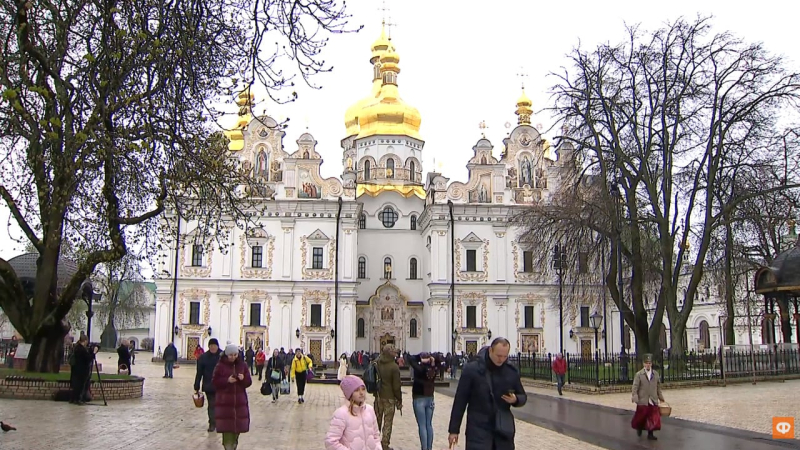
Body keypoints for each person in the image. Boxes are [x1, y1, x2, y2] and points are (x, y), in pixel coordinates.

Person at [448, 337, 528, 450]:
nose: (501, 360)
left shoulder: (511, 371)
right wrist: (453, 430)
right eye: (499, 356)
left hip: (503, 429)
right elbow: (460, 401)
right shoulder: (472, 370)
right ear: (491, 350)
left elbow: (523, 396)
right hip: (478, 428)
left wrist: (516, 400)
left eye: (505, 356)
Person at [325, 375, 382, 450]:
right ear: (349, 393)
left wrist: (378, 448)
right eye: (357, 390)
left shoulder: (370, 410)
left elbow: (376, 435)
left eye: (363, 389)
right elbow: (331, 442)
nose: (361, 393)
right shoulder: (341, 414)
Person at [212, 344, 252, 450]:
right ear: (226, 355)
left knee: (236, 433)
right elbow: (215, 382)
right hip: (225, 404)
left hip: (239, 405)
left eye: (235, 355)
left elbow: (248, 382)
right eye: (231, 355)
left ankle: (233, 446)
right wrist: (227, 380)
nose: (233, 357)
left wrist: (243, 379)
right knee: (228, 433)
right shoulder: (220, 366)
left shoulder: (242, 365)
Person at [631, 354, 666, 441]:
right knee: (641, 417)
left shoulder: (655, 374)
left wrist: (661, 398)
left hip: (653, 399)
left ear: (651, 364)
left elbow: (658, 388)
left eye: (649, 363)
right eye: (646, 363)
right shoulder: (639, 374)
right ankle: (639, 428)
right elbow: (635, 387)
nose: (648, 365)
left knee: (652, 417)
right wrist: (635, 396)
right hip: (643, 399)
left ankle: (650, 433)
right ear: (643, 364)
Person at [374, 345, 402, 450]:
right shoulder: (393, 367)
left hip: (378, 396)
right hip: (389, 398)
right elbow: (396, 386)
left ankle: (374, 442)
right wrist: (399, 398)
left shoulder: (377, 363)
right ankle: (384, 444)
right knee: (388, 422)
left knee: (377, 420)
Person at [409, 352, 438, 450]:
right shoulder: (433, 369)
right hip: (430, 397)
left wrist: (419, 358)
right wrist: (431, 360)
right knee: (429, 424)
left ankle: (424, 448)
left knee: (422, 425)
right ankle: (429, 448)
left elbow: (410, 358)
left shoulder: (420, 369)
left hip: (419, 397)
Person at [194, 338, 222, 432]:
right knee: (212, 405)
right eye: (211, 346)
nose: (213, 348)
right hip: (209, 385)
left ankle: (219, 422)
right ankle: (212, 423)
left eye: (214, 346)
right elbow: (199, 373)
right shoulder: (203, 357)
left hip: (221, 386)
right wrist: (196, 386)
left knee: (220, 405)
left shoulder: (223, 356)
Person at [69, 336, 93, 405]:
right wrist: (93, 353)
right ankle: (78, 399)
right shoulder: (82, 349)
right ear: (85, 341)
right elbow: (87, 359)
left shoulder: (76, 347)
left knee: (76, 384)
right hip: (82, 370)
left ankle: (73, 399)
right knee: (81, 385)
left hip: (76, 369)